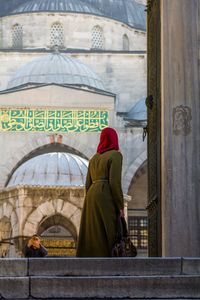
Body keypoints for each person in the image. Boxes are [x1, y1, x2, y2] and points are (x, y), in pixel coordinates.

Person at [76, 127, 124, 257]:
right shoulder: (116, 155)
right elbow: (115, 182)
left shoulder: (93, 159)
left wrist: (89, 199)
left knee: (93, 230)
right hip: (105, 194)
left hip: (91, 195)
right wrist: (120, 205)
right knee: (108, 229)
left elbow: (87, 183)